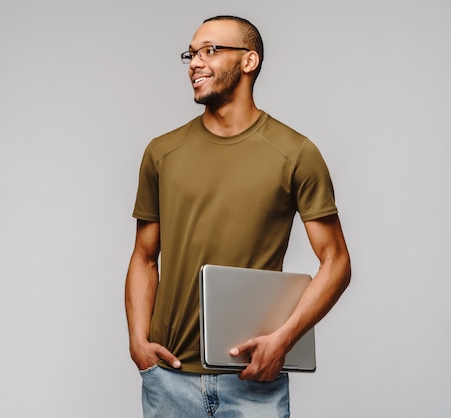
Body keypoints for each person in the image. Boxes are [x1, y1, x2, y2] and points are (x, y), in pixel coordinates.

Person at [125, 15, 351, 418]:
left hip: (253, 381)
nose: (195, 62)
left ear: (249, 61)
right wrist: (138, 344)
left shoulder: (296, 153)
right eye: (191, 54)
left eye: (210, 50)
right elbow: (144, 256)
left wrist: (283, 339)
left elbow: (337, 262)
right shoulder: (162, 152)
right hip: (168, 380)